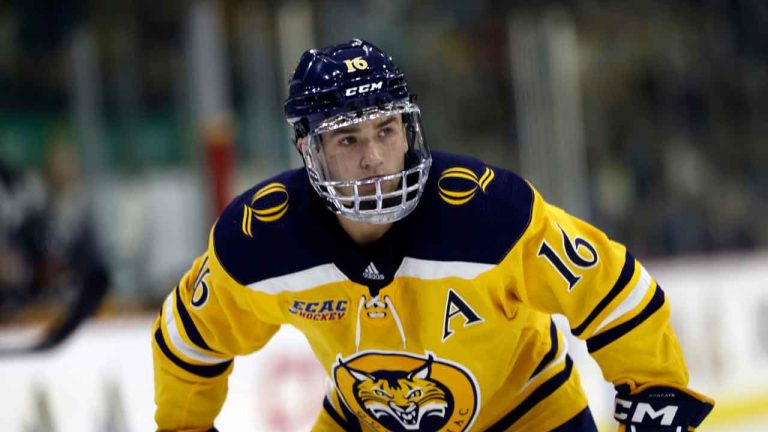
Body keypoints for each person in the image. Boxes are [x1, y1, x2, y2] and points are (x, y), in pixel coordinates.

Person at [152, 39, 714, 431]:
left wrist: (654, 387)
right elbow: (187, 338)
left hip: (526, 413)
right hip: (365, 421)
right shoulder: (259, 238)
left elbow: (610, 287)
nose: (374, 159)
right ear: (308, 149)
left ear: (408, 129)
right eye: (347, 140)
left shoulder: (488, 213)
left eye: (386, 130)